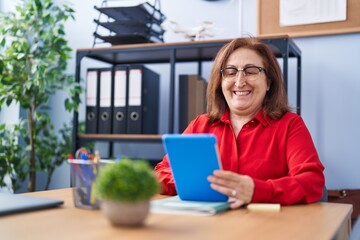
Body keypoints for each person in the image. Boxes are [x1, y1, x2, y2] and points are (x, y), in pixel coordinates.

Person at [154, 37, 325, 209]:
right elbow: (162, 172)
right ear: (220, 82)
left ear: (268, 82)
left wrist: (258, 190)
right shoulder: (200, 125)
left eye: (251, 71)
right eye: (230, 72)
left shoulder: (290, 125)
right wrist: (193, 182)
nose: (240, 81)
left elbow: (312, 182)